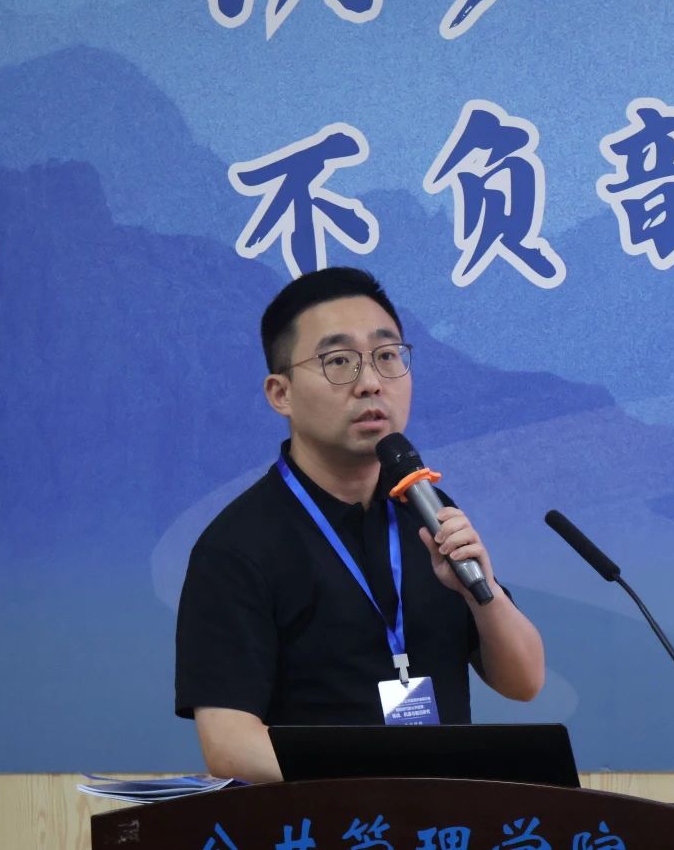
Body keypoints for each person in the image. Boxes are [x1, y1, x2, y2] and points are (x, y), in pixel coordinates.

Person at [175, 266, 545, 783]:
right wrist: (380, 781)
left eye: (387, 356)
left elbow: (523, 682)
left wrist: (480, 594)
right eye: (339, 362)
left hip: (444, 819)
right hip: (318, 820)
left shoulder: (430, 510)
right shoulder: (237, 546)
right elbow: (229, 745)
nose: (370, 383)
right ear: (280, 393)